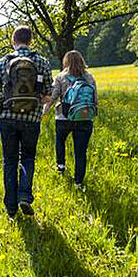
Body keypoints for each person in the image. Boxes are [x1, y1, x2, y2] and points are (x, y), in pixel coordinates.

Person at [0, 26, 52, 219]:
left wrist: (8, 101)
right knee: (28, 158)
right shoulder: (41, 61)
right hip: (32, 119)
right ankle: (25, 196)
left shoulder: (3, 62)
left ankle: (11, 207)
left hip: (8, 118)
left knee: (9, 161)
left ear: (13, 41)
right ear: (31, 41)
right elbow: (48, 95)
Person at [44, 50, 98, 188]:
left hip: (63, 117)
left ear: (66, 62)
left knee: (60, 141)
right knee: (81, 151)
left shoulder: (60, 77)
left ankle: (60, 166)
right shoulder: (90, 78)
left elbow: (53, 97)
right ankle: (78, 182)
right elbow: (95, 100)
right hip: (85, 118)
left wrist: (44, 111)